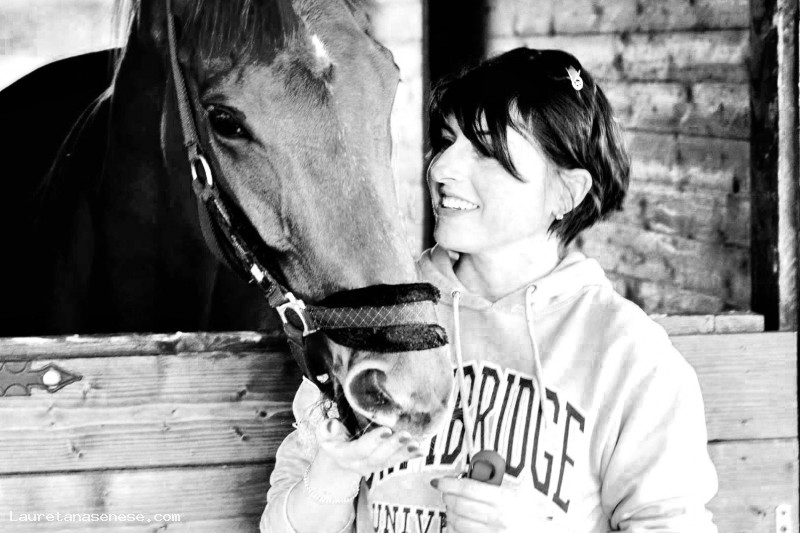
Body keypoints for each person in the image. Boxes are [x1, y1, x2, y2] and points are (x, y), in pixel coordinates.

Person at [261, 47, 718, 533]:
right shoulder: (375, 316)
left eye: (485, 152)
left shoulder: (629, 354)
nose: (441, 169)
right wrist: (336, 471)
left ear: (566, 192)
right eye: (446, 141)